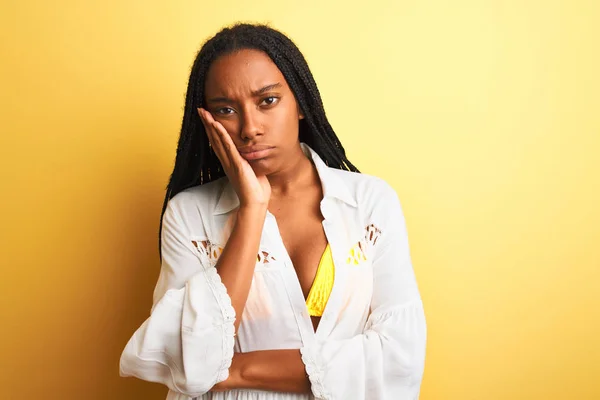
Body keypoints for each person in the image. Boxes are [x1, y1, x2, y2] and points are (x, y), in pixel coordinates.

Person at [120, 23, 427, 400]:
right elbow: (189, 362)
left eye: (267, 101)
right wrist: (252, 209)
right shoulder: (189, 216)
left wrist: (236, 369)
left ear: (300, 103)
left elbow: (400, 358)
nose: (249, 129)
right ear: (209, 121)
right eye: (227, 110)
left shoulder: (370, 204)